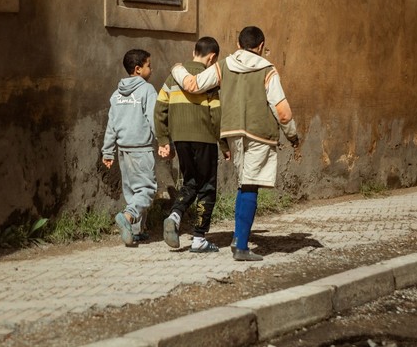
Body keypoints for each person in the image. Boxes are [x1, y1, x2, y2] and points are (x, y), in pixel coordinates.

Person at [170, 26, 299, 261]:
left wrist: (177, 68)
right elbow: (283, 112)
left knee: (244, 183)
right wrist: (293, 136)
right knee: (251, 185)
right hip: (260, 135)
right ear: (260, 47)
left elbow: (193, 85)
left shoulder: (224, 65)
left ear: (238, 45)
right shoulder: (268, 70)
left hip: (233, 133)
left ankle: (239, 239)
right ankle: (240, 245)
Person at [154, 36, 230, 253]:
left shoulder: (172, 78)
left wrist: (163, 139)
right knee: (207, 187)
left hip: (180, 139)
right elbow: (216, 115)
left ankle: (175, 216)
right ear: (213, 57)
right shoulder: (209, 79)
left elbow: (159, 110)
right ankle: (199, 239)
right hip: (204, 139)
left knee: (190, 182)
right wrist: (223, 145)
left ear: (193, 51)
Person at [102, 49, 158, 247]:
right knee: (147, 190)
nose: (151, 69)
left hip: (122, 149)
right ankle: (128, 216)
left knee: (132, 192)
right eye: (148, 65)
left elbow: (111, 125)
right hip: (142, 148)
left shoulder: (116, 95)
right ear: (138, 69)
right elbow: (154, 119)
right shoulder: (147, 90)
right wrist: (164, 141)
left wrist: (107, 151)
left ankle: (135, 232)